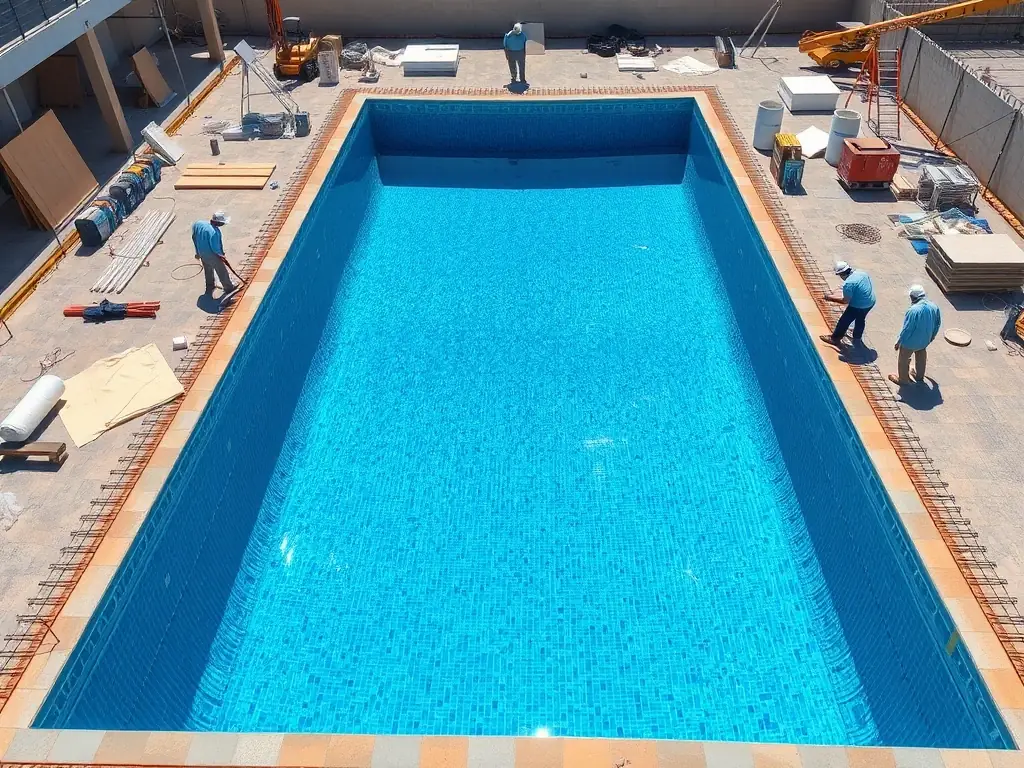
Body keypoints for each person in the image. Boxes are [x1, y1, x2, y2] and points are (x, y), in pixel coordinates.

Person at [888, 284, 941, 386]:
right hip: (925, 339)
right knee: (921, 355)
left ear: (912, 297)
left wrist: (899, 342)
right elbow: (937, 323)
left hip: (910, 342)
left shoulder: (913, 310)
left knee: (903, 359)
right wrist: (932, 337)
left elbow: (907, 328)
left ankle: (903, 380)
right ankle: (919, 376)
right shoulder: (934, 306)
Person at [819, 261, 876, 347]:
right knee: (860, 319)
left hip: (858, 305)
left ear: (841, 274)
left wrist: (829, 298)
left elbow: (845, 301)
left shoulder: (848, 284)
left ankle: (835, 339)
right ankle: (857, 337)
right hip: (870, 301)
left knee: (844, 321)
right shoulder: (861, 273)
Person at [191, 211, 235, 295]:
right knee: (222, 271)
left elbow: (194, 237)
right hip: (212, 255)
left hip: (202, 252)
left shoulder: (199, 224)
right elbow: (215, 248)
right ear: (218, 223)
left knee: (208, 270)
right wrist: (222, 256)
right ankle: (229, 288)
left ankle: (210, 285)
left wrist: (197, 252)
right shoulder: (215, 232)